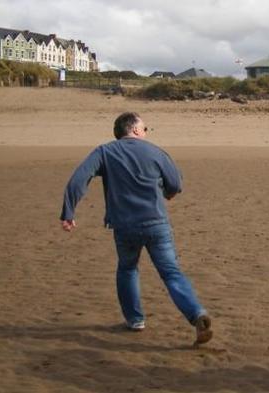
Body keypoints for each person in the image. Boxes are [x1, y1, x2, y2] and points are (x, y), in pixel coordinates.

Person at [60, 112, 212, 345]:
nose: (146, 132)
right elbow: (175, 183)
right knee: (171, 272)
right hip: (155, 222)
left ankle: (135, 319)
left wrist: (69, 212)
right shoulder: (154, 151)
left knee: (128, 269)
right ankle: (196, 313)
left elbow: (79, 179)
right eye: (145, 128)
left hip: (125, 225)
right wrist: (168, 193)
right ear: (135, 130)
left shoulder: (105, 151)